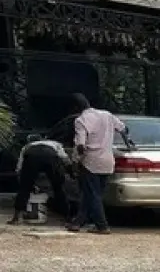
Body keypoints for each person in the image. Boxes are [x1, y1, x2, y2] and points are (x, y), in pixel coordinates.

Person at [67, 93, 125, 234]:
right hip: (107, 161)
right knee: (91, 194)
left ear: (75, 107)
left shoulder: (81, 120)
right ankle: (78, 222)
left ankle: (102, 225)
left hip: (91, 162)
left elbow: (81, 145)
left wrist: (76, 161)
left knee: (93, 195)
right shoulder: (107, 115)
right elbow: (123, 129)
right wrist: (128, 142)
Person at [8, 136, 72, 225]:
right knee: (58, 188)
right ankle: (67, 218)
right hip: (50, 155)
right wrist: (71, 172)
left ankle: (16, 218)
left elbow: (20, 165)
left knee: (24, 189)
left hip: (32, 156)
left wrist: (21, 177)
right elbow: (65, 158)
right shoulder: (54, 143)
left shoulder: (27, 146)